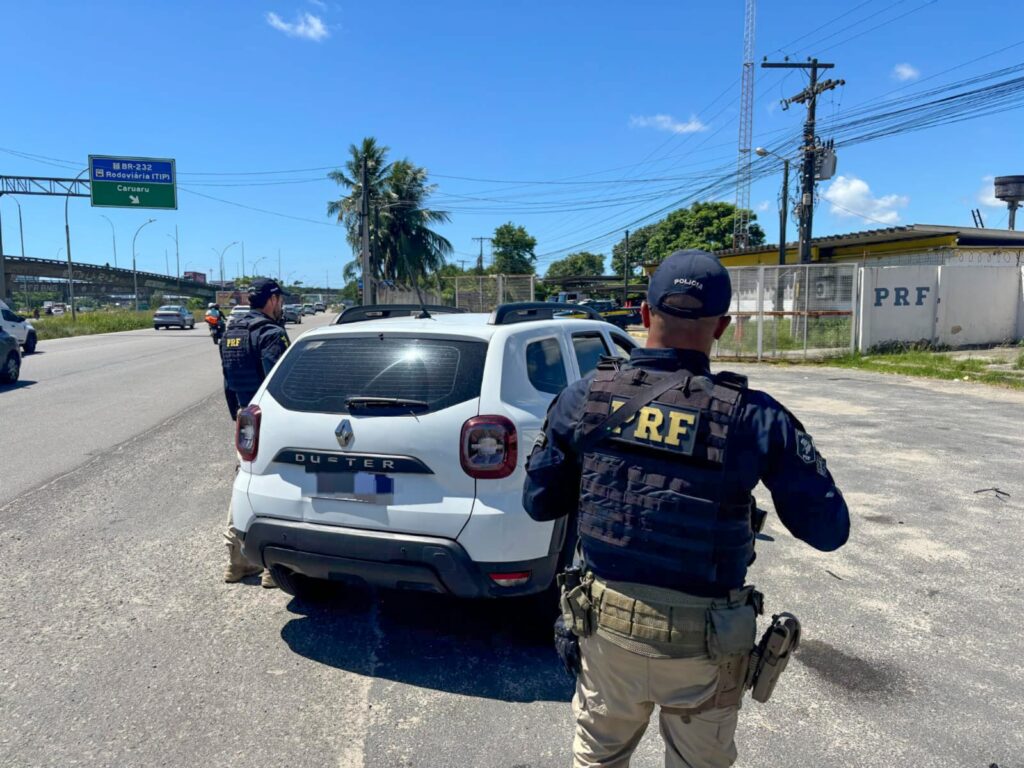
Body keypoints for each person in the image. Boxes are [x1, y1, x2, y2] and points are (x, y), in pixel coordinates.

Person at [523, 249, 850, 768]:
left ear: (645, 315)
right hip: (707, 647)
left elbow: (539, 502)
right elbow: (829, 530)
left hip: (607, 634)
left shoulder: (583, 397)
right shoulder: (755, 418)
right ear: (722, 326)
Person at [220, 278, 290, 588]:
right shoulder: (270, 333)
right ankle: (273, 568)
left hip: (245, 417)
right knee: (278, 486)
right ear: (273, 300)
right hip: (270, 420)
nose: (282, 306)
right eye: (281, 300)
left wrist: (240, 419)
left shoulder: (232, 333)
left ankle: (237, 562)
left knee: (245, 482)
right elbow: (279, 383)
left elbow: (227, 382)